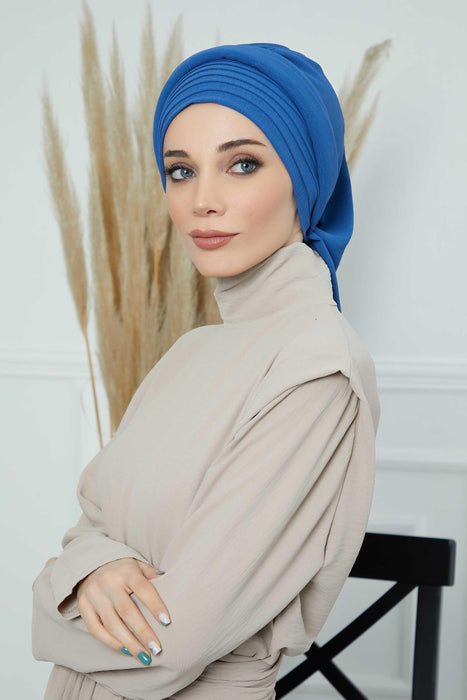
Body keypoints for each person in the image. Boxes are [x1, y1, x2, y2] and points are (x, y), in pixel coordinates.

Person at [31, 42, 380, 700]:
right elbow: (91, 523)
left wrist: (47, 600)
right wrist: (91, 568)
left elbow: (176, 641)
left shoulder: (316, 368)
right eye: (180, 170)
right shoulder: (189, 353)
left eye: (242, 164)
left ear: (304, 177)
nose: (202, 201)